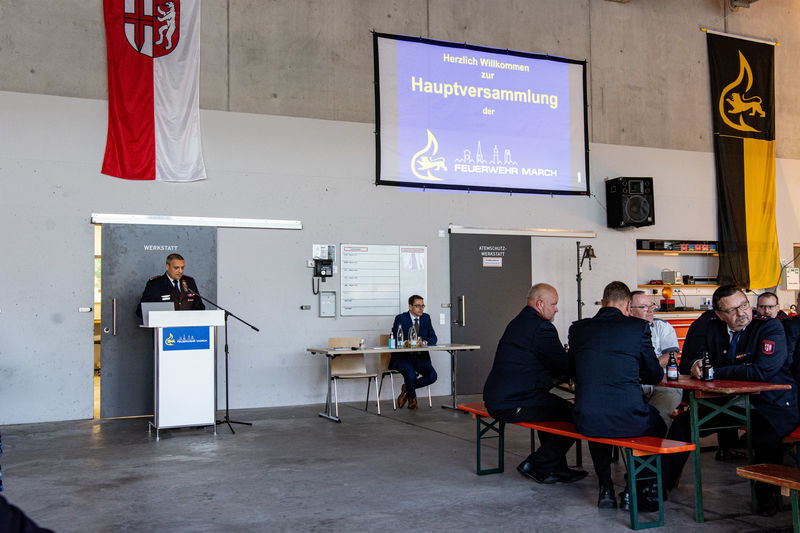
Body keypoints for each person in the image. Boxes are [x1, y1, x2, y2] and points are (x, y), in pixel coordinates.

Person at [671, 285, 799, 516]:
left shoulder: (769, 327)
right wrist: (696, 364)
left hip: (773, 404)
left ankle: (766, 500)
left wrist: (713, 371)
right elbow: (688, 359)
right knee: (682, 424)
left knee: (764, 438)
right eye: (732, 310)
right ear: (719, 315)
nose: (742, 313)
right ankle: (655, 487)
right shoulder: (712, 327)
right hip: (732, 403)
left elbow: (762, 371)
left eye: (744, 305)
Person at [569, 281, 667, 511]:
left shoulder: (578, 329)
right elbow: (654, 374)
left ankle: (605, 490)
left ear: (603, 303)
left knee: (599, 425)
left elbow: (572, 370)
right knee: (658, 424)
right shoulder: (638, 328)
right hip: (628, 415)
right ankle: (635, 488)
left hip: (586, 416)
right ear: (628, 305)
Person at [483, 283, 587, 485]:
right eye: (554, 304)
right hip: (513, 402)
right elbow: (563, 365)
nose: (556, 309)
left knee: (552, 408)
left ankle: (556, 468)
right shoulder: (542, 328)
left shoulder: (517, 322)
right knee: (577, 415)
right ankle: (537, 464)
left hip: (499, 397)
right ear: (540, 304)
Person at [629, 291, 683, 428]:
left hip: (665, 384)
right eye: (643, 307)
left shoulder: (662, 326)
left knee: (658, 417)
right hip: (634, 386)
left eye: (651, 306)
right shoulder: (624, 331)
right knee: (629, 416)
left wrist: (648, 369)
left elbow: (672, 355)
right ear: (629, 309)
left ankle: (660, 441)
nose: (650, 310)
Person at [389, 295, 437, 410]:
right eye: (418, 306)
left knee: (432, 376)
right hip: (402, 357)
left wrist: (423, 342)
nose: (421, 309)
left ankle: (407, 388)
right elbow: (394, 337)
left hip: (419, 357)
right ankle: (412, 399)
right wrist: (405, 342)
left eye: (423, 306)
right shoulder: (401, 318)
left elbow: (433, 338)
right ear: (410, 307)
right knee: (410, 374)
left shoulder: (426, 318)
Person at [136, 253, 205, 317]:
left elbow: (199, 307)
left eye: (182, 268)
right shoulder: (155, 284)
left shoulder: (189, 282)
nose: (180, 271)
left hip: (188, 325)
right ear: (167, 267)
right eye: (176, 268)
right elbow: (141, 311)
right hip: (164, 325)